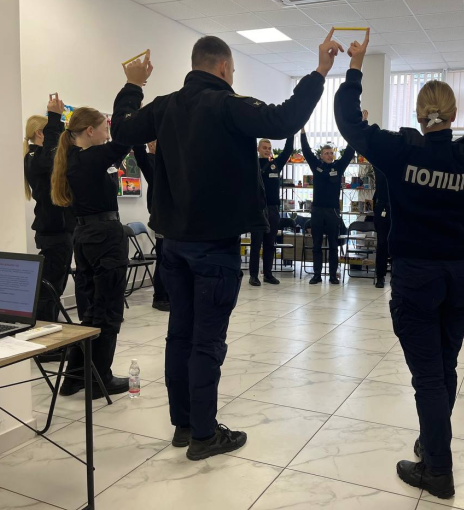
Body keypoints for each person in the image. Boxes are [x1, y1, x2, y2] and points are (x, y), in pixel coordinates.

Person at [110, 33, 342, 461]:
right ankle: (204, 435)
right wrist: (320, 72)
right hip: (214, 248)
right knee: (207, 342)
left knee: (179, 335)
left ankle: (184, 425)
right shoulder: (227, 105)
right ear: (222, 67)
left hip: (173, 246)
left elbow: (121, 128)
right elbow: (284, 119)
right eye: (232, 70)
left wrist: (133, 84)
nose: (232, 76)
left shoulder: (164, 106)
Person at [335, 35, 464, 499]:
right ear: (453, 114)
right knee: (445, 367)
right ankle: (432, 443)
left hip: (417, 277)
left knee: (428, 377)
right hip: (461, 276)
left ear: (419, 114)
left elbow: (348, 122)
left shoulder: (400, 151)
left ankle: (437, 469)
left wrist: (354, 68)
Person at [50, 107, 131, 399]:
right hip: (104, 237)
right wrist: (132, 98)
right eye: (105, 129)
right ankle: (100, 379)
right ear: (89, 131)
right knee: (107, 310)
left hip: (85, 237)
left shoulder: (73, 157)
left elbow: (116, 153)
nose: (108, 135)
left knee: (93, 310)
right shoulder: (90, 158)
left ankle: (75, 377)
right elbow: (123, 142)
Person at [24, 94, 75, 323]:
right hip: (53, 232)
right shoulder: (34, 157)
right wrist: (54, 117)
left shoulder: (39, 157)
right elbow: (51, 155)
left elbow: (58, 153)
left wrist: (58, 123)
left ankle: (49, 327)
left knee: (56, 285)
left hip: (60, 230)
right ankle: (45, 331)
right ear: (39, 133)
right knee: (50, 288)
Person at [300, 130, 355, 284]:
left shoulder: (338, 167)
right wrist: (303, 132)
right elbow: (306, 151)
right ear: (321, 156)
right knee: (316, 244)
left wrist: (355, 130)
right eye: (326, 153)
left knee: (333, 245)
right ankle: (317, 275)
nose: (330, 155)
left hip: (333, 212)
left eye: (331, 153)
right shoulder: (316, 166)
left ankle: (332, 276)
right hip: (317, 210)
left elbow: (349, 153)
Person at [248, 135, 294, 286]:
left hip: (273, 209)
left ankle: (268, 274)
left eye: (269, 148)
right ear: (258, 149)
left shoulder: (275, 164)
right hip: (257, 209)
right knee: (256, 244)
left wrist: (291, 131)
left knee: (270, 243)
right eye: (264, 148)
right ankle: (253, 276)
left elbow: (288, 150)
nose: (267, 150)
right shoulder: (252, 164)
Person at [132, 140, 170, 311]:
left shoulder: (169, 161)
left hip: (174, 217)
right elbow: (140, 155)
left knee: (171, 258)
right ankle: (160, 297)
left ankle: (169, 294)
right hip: (162, 217)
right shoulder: (150, 161)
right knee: (164, 257)